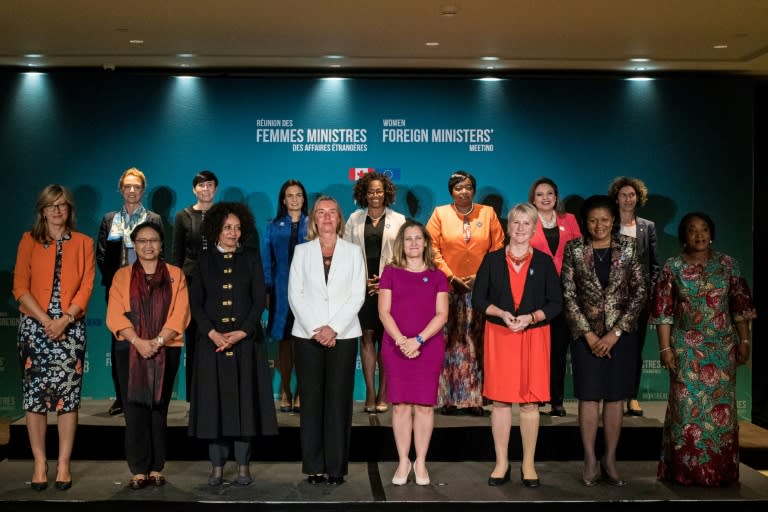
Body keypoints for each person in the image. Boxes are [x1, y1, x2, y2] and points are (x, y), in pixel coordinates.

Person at [651, 212, 756, 487]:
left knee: (721, 413)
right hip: (686, 348)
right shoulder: (672, 266)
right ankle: (684, 472)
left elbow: (741, 307)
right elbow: (664, 312)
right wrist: (665, 349)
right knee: (685, 412)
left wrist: (745, 342)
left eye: (704, 230)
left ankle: (720, 472)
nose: (699, 235)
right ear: (683, 236)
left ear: (712, 234)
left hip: (722, 348)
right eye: (692, 230)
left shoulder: (728, 265)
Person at [188, 202, 278, 486]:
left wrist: (243, 332)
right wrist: (212, 333)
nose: (233, 233)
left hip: (245, 345)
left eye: (238, 228)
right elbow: (196, 304)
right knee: (214, 405)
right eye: (228, 227)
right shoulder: (202, 261)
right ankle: (216, 467)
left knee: (245, 404)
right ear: (216, 229)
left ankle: (242, 466)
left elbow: (257, 302)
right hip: (211, 344)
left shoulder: (251, 259)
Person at [473, 203, 562, 488]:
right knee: (500, 403)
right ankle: (501, 463)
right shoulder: (492, 259)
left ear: (535, 230)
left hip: (534, 336)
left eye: (527, 224)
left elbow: (556, 304)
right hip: (500, 336)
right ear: (508, 227)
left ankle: (528, 464)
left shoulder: (545, 263)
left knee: (529, 403)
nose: (521, 229)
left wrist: (531, 317)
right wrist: (501, 313)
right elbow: (479, 300)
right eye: (516, 223)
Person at [12, 185, 95, 491]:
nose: (57, 210)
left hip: (70, 327)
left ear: (69, 210)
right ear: (42, 211)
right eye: (51, 206)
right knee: (34, 399)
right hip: (35, 327)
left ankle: (63, 464)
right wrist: (46, 319)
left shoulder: (84, 242)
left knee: (67, 399)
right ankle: (39, 462)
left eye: (62, 205)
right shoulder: (28, 241)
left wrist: (65, 319)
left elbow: (86, 287)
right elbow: (19, 286)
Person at [561, 195, 646, 487]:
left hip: (620, 338)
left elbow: (639, 294)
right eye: (593, 220)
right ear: (585, 222)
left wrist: (615, 333)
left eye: (605, 219)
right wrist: (589, 334)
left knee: (614, 398)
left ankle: (609, 458)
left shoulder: (629, 248)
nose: (599, 225)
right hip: (586, 337)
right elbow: (569, 296)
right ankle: (589, 458)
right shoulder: (574, 249)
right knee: (588, 397)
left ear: (614, 221)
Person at [106, 221, 190, 489]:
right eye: (142, 241)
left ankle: (156, 467)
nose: (148, 245)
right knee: (134, 409)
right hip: (130, 349)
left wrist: (158, 340)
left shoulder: (176, 274)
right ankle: (138, 469)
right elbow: (115, 313)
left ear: (161, 244)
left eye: (153, 240)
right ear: (134, 245)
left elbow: (180, 312)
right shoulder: (122, 276)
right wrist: (138, 341)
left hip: (167, 347)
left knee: (158, 407)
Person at [288, 196, 366, 486]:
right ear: (314, 220)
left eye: (332, 213)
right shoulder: (302, 251)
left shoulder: (353, 252)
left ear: (339, 218)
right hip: (307, 336)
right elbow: (295, 294)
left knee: (338, 403)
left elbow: (357, 294)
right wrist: (316, 329)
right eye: (321, 213)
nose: (327, 217)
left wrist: (332, 328)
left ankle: (336, 468)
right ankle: (314, 467)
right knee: (311, 403)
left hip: (343, 336)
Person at [426, 170, 504, 416]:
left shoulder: (488, 213)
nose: (464, 191)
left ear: (474, 189)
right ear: (451, 191)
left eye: (468, 186)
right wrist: (450, 276)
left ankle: (476, 399)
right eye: (458, 187)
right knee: (450, 343)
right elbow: (432, 248)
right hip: (447, 290)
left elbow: (498, 247)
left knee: (476, 343)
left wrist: (480, 277)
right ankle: (448, 399)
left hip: (481, 290)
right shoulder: (440, 214)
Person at [378, 220, 449, 486]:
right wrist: (401, 341)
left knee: (424, 407)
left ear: (426, 243)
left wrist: (418, 340)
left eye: (418, 238)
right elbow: (383, 311)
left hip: (427, 347)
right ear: (401, 243)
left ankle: (420, 462)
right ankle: (403, 461)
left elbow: (442, 314)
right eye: (408, 239)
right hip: (396, 347)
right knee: (400, 407)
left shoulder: (438, 275)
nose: (413, 243)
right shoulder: (390, 272)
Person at [97, 167, 163, 416]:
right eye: (128, 186)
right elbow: (101, 255)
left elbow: (161, 253)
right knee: (120, 343)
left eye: (137, 186)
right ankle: (122, 397)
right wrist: (117, 282)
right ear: (121, 189)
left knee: (147, 340)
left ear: (143, 190)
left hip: (147, 290)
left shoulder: (153, 219)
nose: (132, 190)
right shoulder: (109, 219)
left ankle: (147, 393)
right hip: (117, 290)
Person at [344, 171, 406, 413]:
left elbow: (404, 255)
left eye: (379, 191)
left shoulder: (399, 220)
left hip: (391, 288)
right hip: (362, 289)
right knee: (367, 337)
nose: (375, 195)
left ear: (386, 193)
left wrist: (386, 281)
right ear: (364, 194)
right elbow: (347, 255)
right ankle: (370, 391)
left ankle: (383, 393)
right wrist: (363, 282)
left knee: (387, 339)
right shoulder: (354, 220)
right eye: (371, 191)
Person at [528, 177, 581, 417]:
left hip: (565, 293)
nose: (545, 198)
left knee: (559, 350)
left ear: (556, 197)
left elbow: (579, 252)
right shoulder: (526, 221)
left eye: (550, 193)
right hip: (536, 293)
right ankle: (537, 396)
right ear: (533, 198)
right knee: (537, 349)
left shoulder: (568, 220)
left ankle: (557, 401)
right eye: (540, 194)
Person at [608, 176, 659, 417]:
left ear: (638, 198)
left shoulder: (647, 226)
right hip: (611, 299)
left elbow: (654, 264)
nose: (628, 199)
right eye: (623, 195)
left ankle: (633, 397)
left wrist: (647, 292)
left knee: (635, 350)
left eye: (632, 195)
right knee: (611, 348)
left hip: (639, 300)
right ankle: (611, 396)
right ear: (616, 198)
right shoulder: (607, 223)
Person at [262, 179, 309, 413]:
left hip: (309, 292)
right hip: (280, 292)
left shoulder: (313, 225)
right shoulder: (273, 226)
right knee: (284, 342)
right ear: (283, 199)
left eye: (298, 195)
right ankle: (285, 390)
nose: (294, 199)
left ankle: (301, 390)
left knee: (304, 342)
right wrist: (268, 288)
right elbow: (266, 260)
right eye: (290, 195)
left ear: (303, 198)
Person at [173, 170, 218, 402]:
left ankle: (215, 398)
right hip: (190, 284)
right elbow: (176, 256)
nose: (205, 189)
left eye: (210, 185)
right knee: (193, 340)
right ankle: (193, 400)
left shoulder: (225, 215)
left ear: (215, 189)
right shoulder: (183, 216)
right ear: (194, 189)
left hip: (219, 285)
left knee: (217, 339)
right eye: (201, 185)